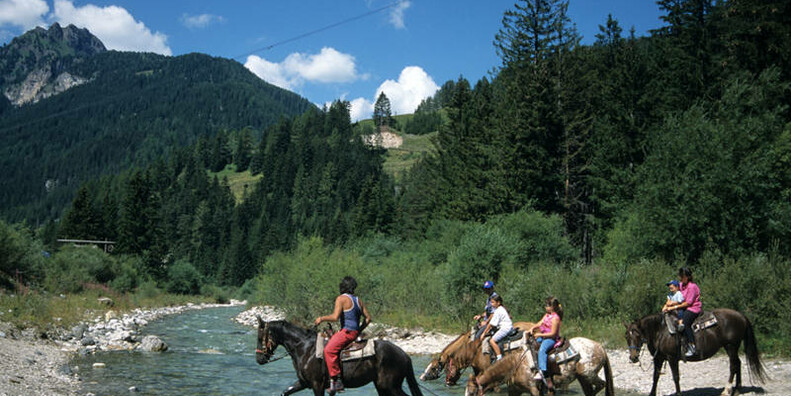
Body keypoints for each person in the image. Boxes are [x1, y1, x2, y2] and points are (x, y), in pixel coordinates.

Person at [314, 276, 372, 393]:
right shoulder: (358, 300)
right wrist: (359, 330)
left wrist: (322, 318)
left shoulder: (341, 299)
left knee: (329, 350)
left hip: (347, 332)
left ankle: (337, 380)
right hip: (355, 333)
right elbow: (368, 318)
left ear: (343, 286)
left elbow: (335, 317)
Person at [527, 296, 563, 390]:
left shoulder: (555, 318)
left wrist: (539, 334)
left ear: (553, 307)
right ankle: (533, 365)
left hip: (551, 339)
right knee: (531, 344)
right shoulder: (547, 315)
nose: (546, 307)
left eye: (548, 305)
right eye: (546, 305)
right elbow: (540, 323)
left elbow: (553, 333)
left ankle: (542, 370)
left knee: (542, 349)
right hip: (543, 336)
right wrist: (532, 328)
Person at [676, 267, 702, 357]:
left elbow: (689, 302)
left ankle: (692, 346)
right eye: (680, 276)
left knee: (685, 323)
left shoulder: (692, 287)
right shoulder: (681, 285)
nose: (680, 278)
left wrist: (676, 306)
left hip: (693, 308)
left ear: (687, 277)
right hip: (683, 308)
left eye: (682, 276)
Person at [481, 295, 513, 361]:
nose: (491, 304)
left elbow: (491, 324)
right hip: (509, 327)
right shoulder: (501, 308)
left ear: (498, 303)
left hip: (505, 328)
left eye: (493, 302)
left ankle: (499, 357)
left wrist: (484, 333)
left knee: (492, 341)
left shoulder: (498, 311)